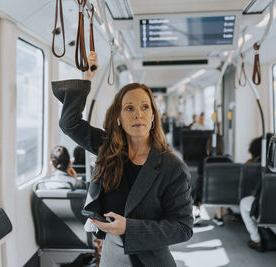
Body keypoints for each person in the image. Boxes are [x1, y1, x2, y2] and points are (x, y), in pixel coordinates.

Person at [52, 51, 193, 267]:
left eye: (145, 107)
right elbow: (69, 123)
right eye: (129, 108)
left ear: (153, 116)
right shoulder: (107, 147)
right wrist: (87, 79)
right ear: (118, 117)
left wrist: (129, 228)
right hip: (113, 258)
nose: (138, 114)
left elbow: (183, 228)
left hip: (152, 260)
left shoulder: (172, 166)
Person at [240, 133, 276, 252]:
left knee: (245, 203)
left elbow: (258, 194)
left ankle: (256, 239)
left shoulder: (268, 171)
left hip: (267, 209)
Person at [192, 135, 231, 226]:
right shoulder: (228, 161)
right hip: (223, 193)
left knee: (199, 184)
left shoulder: (206, 161)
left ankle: (197, 214)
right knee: (220, 186)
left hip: (205, 193)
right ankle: (219, 217)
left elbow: (200, 172)